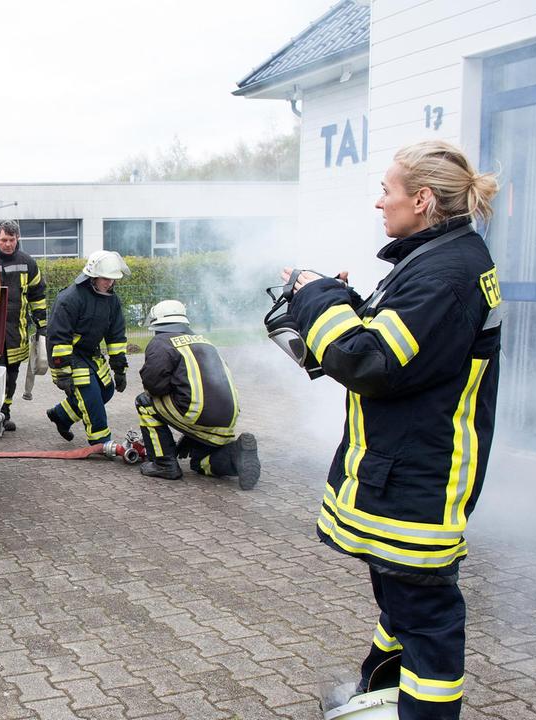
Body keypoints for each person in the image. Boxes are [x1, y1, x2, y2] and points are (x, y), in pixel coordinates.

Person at [283, 140, 501, 720]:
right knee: (400, 600)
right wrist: (332, 301)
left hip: (419, 478)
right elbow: (403, 348)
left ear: (423, 200)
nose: (380, 203)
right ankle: (375, 692)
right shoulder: (436, 261)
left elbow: (371, 363)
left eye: (388, 190)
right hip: (404, 468)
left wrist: (319, 297)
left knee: (427, 623)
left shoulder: (446, 273)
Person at [134, 299, 260, 490]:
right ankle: (235, 455)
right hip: (227, 418)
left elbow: (154, 386)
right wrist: (191, 436)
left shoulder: (161, 342)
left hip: (197, 413)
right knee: (199, 463)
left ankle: (164, 464)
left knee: (144, 402)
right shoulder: (205, 341)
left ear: (157, 322)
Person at [45, 250, 129, 445]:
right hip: (69, 353)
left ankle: (61, 415)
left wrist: (120, 369)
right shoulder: (71, 298)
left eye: (112, 279)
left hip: (90, 353)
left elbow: (116, 336)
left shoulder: (112, 300)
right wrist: (62, 373)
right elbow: (58, 337)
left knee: (105, 391)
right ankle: (101, 442)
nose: (109, 283)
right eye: (105, 279)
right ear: (92, 276)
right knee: (90, 397)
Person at [0, 220, 47, 431]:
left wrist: (42, 326)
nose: (7, 244)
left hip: (16, 332)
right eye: (4, 240)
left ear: (17, 239)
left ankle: (4, 415)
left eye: (11, 240)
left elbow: (37, 296)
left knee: (11, 376)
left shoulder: (27, 263)